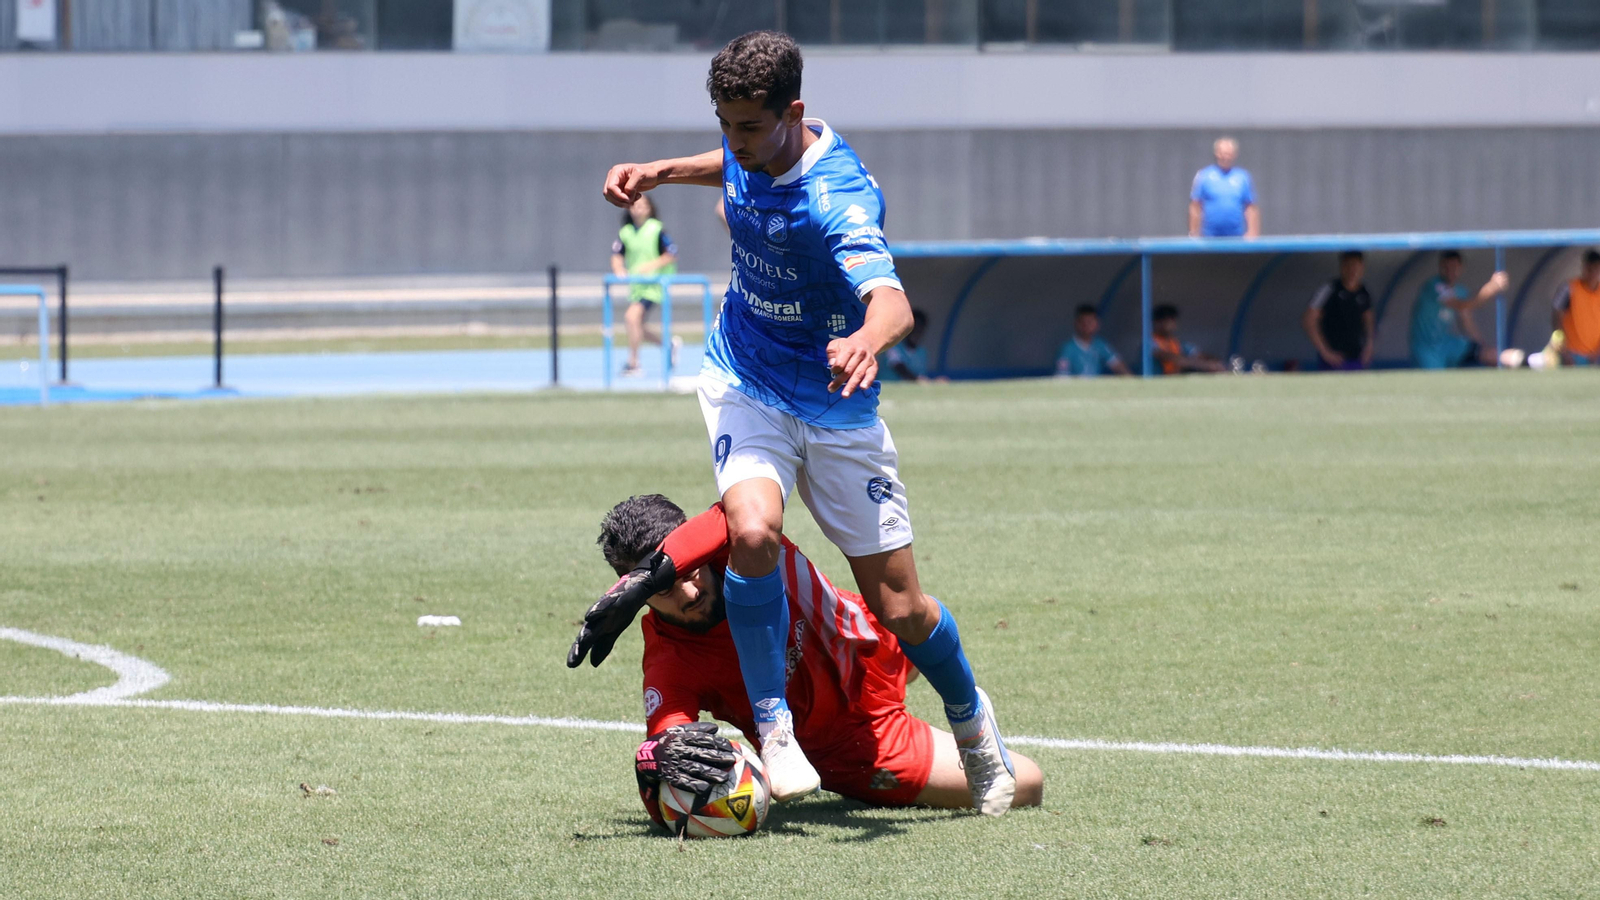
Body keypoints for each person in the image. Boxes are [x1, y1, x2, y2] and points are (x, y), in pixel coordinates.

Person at [580, 31, 1018, 816]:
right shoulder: (748, 142)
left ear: (795, 113)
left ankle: (971, 722)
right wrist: (659, 171)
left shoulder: (837, 198)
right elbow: (731, 164)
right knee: (751, 531)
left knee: (902, 608)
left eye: (749, 127)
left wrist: (866, 340)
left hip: (836, 401)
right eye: (725, 124)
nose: (735, 140)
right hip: (745, 377)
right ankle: (775, 729)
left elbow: (893, 301)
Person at [590, 494, 1045, 830]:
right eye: (663, 591)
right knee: (1026, 783)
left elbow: (730, 512)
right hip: (853, 743)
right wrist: (655, 760)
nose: (689, 593)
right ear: (638, 599)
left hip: (870, 636)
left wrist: (664, 570)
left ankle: (968, 705)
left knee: (914, 613)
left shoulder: (740, 542)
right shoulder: (670, 656)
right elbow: (669, 737)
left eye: (687, 572)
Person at [610, 195, 682, 377]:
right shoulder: (626, 232)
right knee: (637, 324)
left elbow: (671, 254)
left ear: (650, 208)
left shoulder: (656, 229)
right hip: (637, 286)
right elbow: (617, 254)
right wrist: (619, 269)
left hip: (654, 285)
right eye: (635, 206)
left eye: (643, 205)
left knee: (631, 317)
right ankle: (667, 346)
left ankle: (634, 363)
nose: (638, 209)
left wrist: (650, 267)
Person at [1408, 251, 1508, 370]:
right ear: (1441, 267)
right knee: (1436, 379)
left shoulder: (1460, 291)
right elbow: (1461, 305)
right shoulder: (1434, 286)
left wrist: (1483, 346)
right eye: (1447, 267)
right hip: (1426, 347)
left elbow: (1466, 320)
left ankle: (1520, 361)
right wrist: (1490, 289)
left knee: (1490, 355)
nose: (1450, 271)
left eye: (1454, 267)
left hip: (1446, 343)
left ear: (1461, 268)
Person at [1303, 251, 1375, 371]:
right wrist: (1325, 351)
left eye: (1356, 266)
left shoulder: (1364, 292)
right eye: (1348, 265)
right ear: (1342, 266)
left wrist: (1369, 345)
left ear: (1362, 267)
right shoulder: (1330, 289)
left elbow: (1368, 318)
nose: (1352, 270)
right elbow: (1309, 319)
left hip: (1357, 358)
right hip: (1334, 360)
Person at [1188, 137, 1259, 239]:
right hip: (1209, 238)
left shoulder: (1243, 177)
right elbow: (1195, 206)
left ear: (1234, 155)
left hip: (1236, 238)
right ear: (1216, 153)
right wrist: (1194, 233)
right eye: (1222, 153)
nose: (1225, 157)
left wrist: (1253, 233)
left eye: (1228, 154)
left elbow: (1251, 207)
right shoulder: (1204, 175)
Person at [1551, 249, 1600, 366]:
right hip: (1572, 355)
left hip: (1596, 356)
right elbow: (1557, 318)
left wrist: (1597, 352)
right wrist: (1564, 351)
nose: (1592, 273)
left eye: (1596, 269)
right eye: (1589, 269)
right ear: (1583, 268)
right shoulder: (1569, 288)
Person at [1056, 305, 1129, 377]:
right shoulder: (1068, 348)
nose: (1086, 326)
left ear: (1097, 323)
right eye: (1083, 322)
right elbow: (1062, 376)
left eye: (1090, 322)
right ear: (1076, 323)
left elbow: (1118, 366)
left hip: (1096, 384)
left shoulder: (1100, 344)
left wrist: (1131, 380)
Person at [1151, 305, 1225, 374]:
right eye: (1165, 320)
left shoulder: (1176, 343)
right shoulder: (1150, 341)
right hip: (1155, 379)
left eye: (1172, 319)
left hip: (1173, 379)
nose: (1170, 323)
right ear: (1156, 322)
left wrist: (1214, 362)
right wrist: (1202, 365)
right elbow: (1173, 358)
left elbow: (1197, 354)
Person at [880, 309, 944, 382]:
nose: (916, 332)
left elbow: (922, 377)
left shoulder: (922, 352)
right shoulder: (892, 346)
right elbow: (900, 368)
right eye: (914, 328)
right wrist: (924, 381)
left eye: (920, 329)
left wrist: (935, 382)